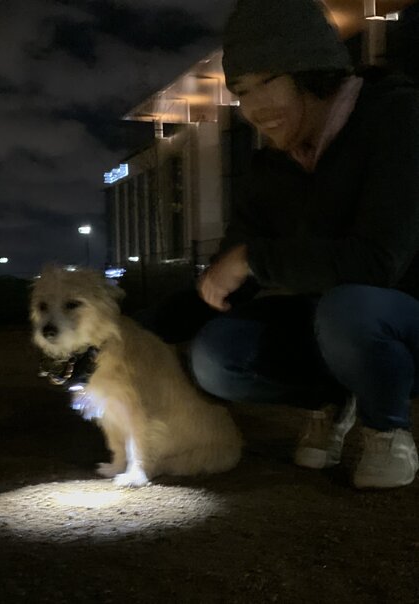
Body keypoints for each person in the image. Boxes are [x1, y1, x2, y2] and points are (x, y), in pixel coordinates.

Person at [139, 0, 419, 489]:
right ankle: (329, 401)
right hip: (332, 326)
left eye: (267, 81)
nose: (253, 109)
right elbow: (229, 276)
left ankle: (386, 428)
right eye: (241, 92)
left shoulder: (397, 117)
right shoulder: (270, 166)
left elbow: (378, 261)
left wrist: (255, 259)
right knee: (216, 355)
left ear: (313, 71)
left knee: (349, 308)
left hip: (399, 316)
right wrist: (134, 329)